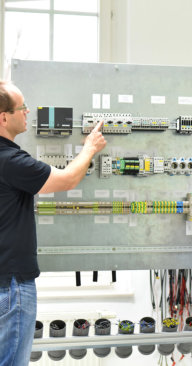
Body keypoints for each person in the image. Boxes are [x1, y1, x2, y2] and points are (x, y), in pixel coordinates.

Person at [0, 80, 107, 366]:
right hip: (11, 287)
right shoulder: (10, 161)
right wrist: (89, 148)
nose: (28, 112)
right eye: (22, 107)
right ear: (4, 117)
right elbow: (68, 179)